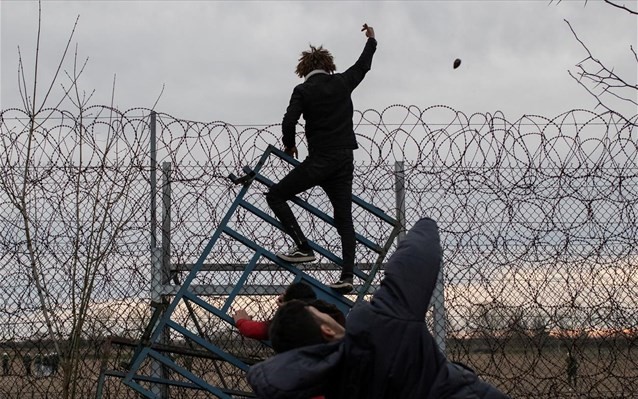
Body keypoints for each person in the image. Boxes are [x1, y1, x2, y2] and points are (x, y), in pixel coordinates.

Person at [247, 218, 510, 398]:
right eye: (317, 312)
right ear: (327, 330)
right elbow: (418, 257)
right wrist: (425, 224)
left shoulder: (327, 386)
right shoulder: (381, 327)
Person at [266, 23, 377, 294]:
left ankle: (303, 247)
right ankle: (347, 277)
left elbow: (288, 120)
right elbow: (363, 66)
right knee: (344, 219)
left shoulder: (303, 90)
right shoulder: (341, 82)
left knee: (276, 196)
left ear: (304, 69)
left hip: (320, 159)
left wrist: (289, 146)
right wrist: (372, 40)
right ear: (329, 66)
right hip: (344, 159)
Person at [233, 282, 318, 340]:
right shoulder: (322, 312)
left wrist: (241, 321)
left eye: (285, 294)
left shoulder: (293, 320)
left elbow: (257, 330)